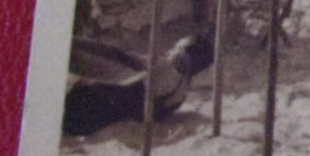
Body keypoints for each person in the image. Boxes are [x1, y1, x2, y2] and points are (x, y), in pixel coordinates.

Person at [62, 34, 215, 136]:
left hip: (88, 107)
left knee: (104, 56)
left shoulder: (166, 68)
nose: (171, 50)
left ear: (186, 57)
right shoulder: (180, 93)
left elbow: (125, 59)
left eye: (177, 48)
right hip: (100, 115)